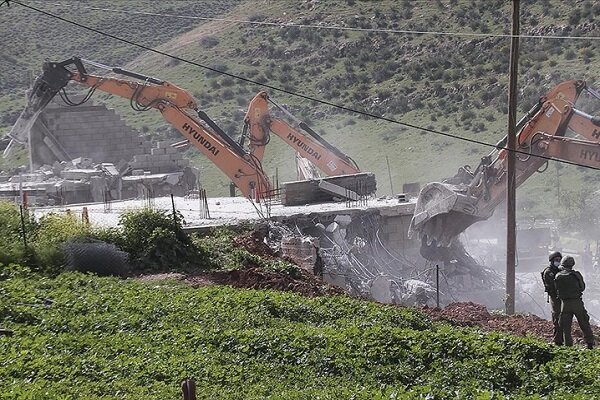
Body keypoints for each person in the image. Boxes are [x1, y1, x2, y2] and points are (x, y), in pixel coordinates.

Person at [554, 256, 595, 349]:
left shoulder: (558, 276)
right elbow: (582, 287)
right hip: (577, 303)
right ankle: (589, 343)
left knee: (566, 327)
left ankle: (568, 346)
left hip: (564, 304)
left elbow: (556, 289)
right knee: (584, 322)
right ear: (572, 265)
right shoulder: (576, 275)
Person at [541, 251, 563, 345]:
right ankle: (557, 340)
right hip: (555, 297)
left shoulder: (560, 270)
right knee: (557, 318)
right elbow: (554, 286)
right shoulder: (548, 272)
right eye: (556, 260)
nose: (558, 261)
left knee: (564, 318)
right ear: (552, 261)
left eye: (559, 260)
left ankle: (563, 339)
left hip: (562, 297)